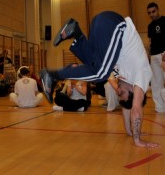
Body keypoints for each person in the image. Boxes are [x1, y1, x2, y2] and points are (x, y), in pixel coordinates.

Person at [40, 11, 160, 148]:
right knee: (101, 74)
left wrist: (130, 132)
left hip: (100, 25)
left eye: (118, 93)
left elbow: (127, 108)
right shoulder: (143, 75)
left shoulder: (126, 76)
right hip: (114, 26)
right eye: (121, 93)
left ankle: (76, 32)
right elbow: (136, 108)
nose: (117, 90)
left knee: (95, 65)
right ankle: (53, 75)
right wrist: (138, 140)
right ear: (134, 90)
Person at [147, 2, 165, 113]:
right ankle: (160, 107)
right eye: (149, 13)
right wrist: (148, 56)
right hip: (154, 56)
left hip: (164, 54)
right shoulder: (150, 26)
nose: (152, 14)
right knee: (156, 83)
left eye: (153, 11)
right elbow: (150, 42)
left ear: (158, 9)